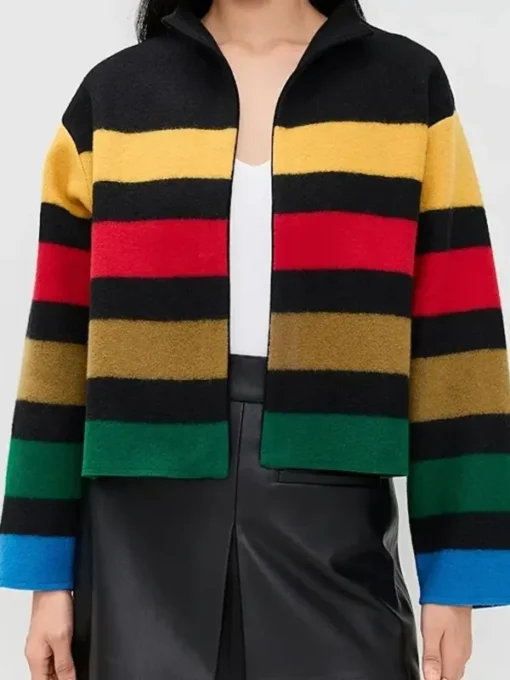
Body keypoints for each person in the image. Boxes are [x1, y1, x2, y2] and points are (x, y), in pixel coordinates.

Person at [1, 0, 509, 678]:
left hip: (333, 519)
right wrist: (46, 578)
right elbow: (58, 346)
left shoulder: (406, 85)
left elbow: (459, 339)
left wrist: (456, 577)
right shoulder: (114, 95)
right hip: (137, 533)